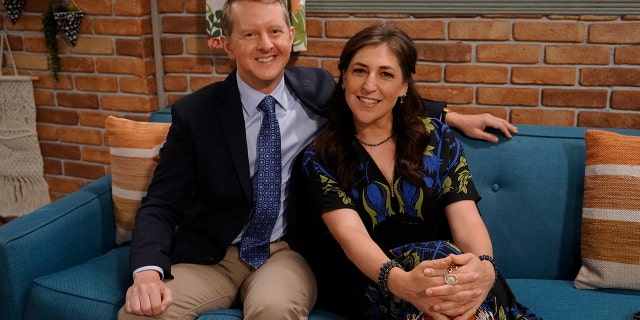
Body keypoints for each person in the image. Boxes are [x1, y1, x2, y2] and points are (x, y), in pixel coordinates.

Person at [118, 1, 519, 319]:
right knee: (142, 315)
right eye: (250, 34)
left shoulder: (317, 87)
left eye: (275, 31)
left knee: (275, 309)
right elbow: (161, 202)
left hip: (283, 252)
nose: (265, 44)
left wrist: (454, 116)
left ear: (291, 36)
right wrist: (147, 273)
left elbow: (380, 95)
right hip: (211, 256)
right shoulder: (195, 114)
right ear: (226, 43)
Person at [300, 24, 540, 320]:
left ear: (403, 87)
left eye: (386, 74)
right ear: (344, 77)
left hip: (442, 271)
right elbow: (352, 236)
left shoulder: (436, 138)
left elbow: (466, 220)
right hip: (369, 280)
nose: (369, 86)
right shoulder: (321, 154)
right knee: (443, 264)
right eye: (359, 71)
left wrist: (485, 269)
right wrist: (404, 283)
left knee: (453, 264)